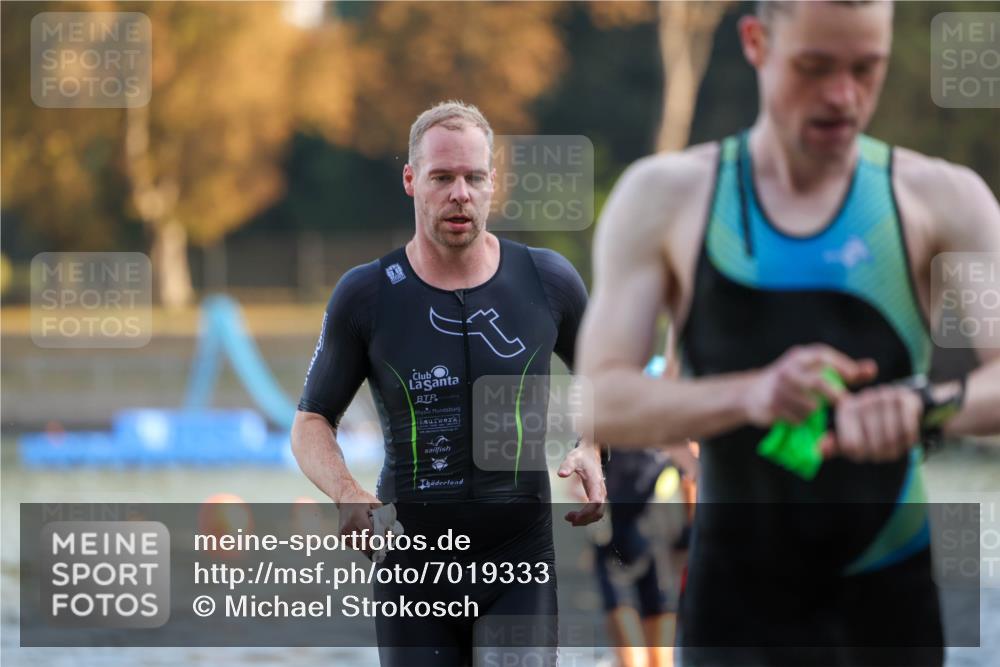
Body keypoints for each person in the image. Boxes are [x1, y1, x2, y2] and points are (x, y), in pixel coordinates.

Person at [577, 2, 1000, 666]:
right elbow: (600, 400)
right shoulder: (665, 198)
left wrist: (922, 406)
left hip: (888, 613)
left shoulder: (945, 199)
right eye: (815, 67)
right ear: (756, 42)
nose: (843, 96)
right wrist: (752, 395)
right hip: (735, 616)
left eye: (866, 68)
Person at [291, 100, 606, 667]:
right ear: (411, 180)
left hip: (519, 564)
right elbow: (311, 419)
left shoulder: (547, 280)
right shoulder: (367, 295)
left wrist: (592, 444)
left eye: (474, 178)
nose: (460, 193)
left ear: (493, 184)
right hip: (412, 568)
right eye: (442, 177)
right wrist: (347, 492)